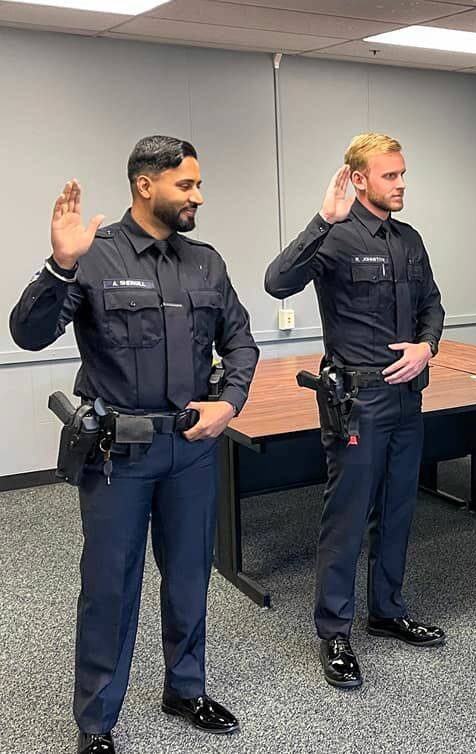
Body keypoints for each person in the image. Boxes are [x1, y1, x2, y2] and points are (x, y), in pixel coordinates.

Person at [10, 136, 259, 754]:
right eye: (187, 185)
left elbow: (242, 344)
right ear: (145, 185)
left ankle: (185, 688)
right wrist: (59, 267)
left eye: (198, 184)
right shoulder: (93, 256)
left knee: (188, 577)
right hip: (118, 456)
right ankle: (96, 724)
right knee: (110, 586)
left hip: (191, 450)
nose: (198, 195)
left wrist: (228, 402)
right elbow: (29, 334)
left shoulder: (207, 263)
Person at [265, 132, 445, 690]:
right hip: (357, 401)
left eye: (402, 174)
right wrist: (321, 219)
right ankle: (334, 631)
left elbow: (433, 304)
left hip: (405, 397)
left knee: (397, 509)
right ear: (359, 178)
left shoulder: (410, 240)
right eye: (390, 175)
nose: (401, 184)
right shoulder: (336, 238)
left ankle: (388, 611)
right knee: (346, 516)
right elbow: (276, 282)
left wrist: (426, 346)